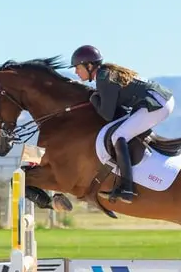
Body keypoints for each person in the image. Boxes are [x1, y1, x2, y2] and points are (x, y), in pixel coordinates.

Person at [69, 44, 175, 204]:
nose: (76, 72)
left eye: (77, 67)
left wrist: (94, 99)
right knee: (122, 131)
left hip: (158, 103)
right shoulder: (105, 74)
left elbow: (107, 115)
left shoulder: (104, 78)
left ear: (89, 66)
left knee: (119, 136)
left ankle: (127, 188)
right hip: (158, 100)